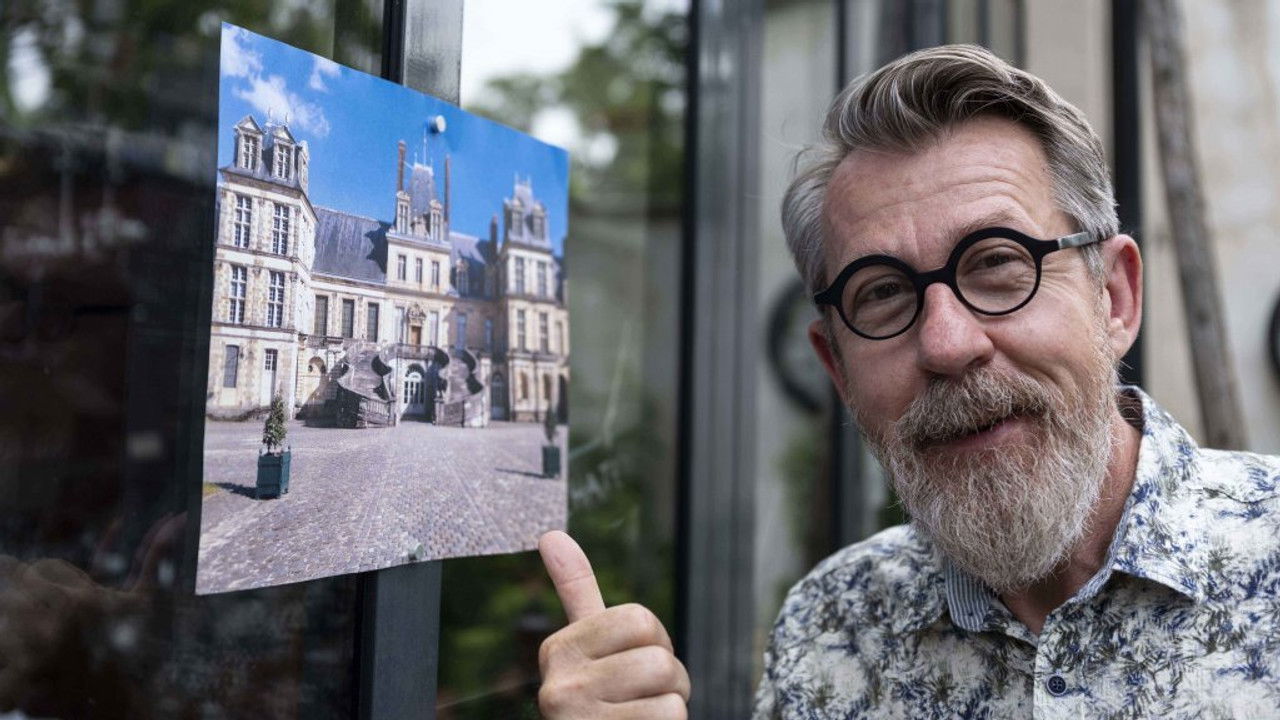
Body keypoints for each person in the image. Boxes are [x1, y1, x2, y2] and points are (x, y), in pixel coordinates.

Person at [535, 44, 1280, 719]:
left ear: (1114, 298)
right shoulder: (831, 626)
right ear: (836, 366)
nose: (948, 345)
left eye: (996, 262)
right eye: (883, 292)